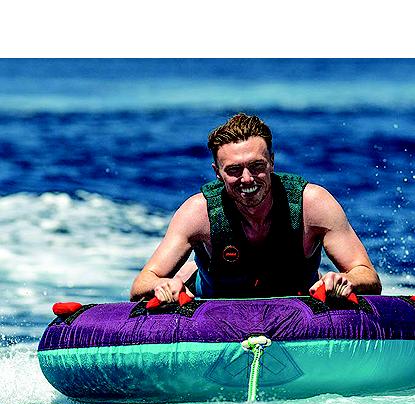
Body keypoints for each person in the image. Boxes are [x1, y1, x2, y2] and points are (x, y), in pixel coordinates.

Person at [130, 113, 381, 303]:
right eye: (234, 170)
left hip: (295, 303)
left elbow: (368, 276)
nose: (247, 179)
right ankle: (191, 274)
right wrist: (162, 286)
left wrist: (345, 279)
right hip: (214, 302)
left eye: (257, 166)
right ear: (217, 173)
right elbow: (141, 283)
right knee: (183, 277)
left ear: (272, 161)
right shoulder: (197, 213)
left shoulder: (312, 204)